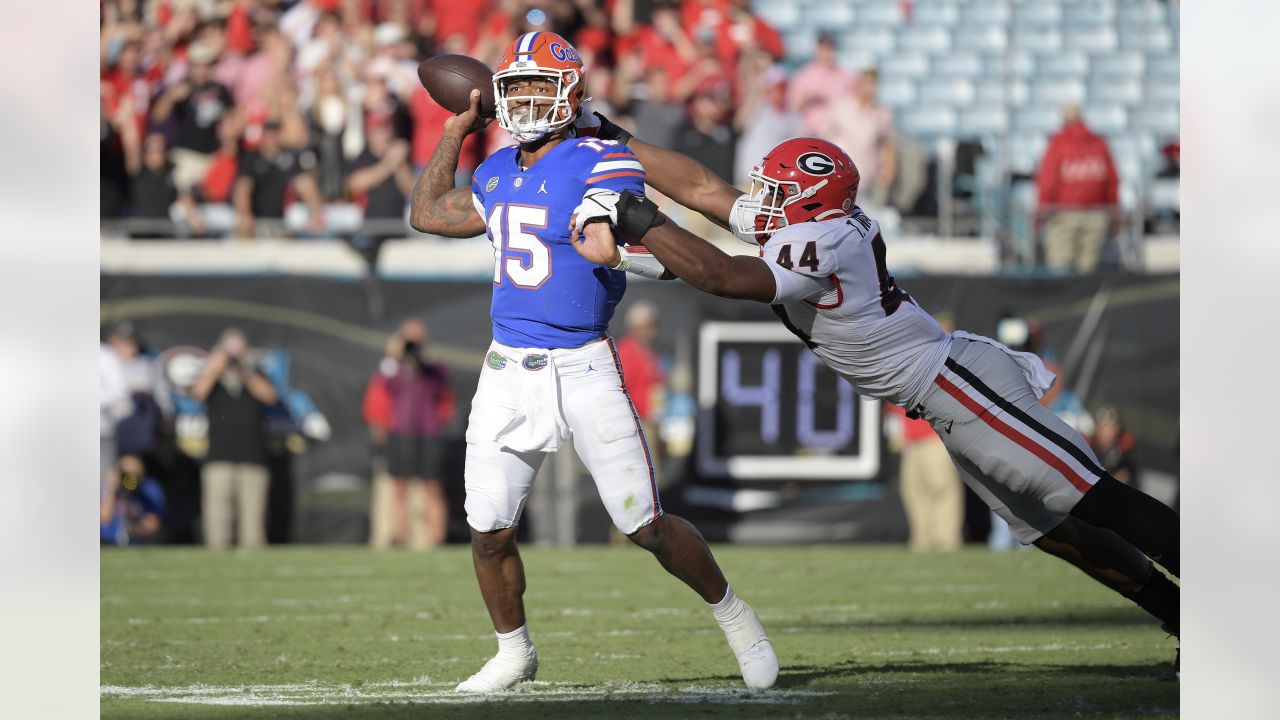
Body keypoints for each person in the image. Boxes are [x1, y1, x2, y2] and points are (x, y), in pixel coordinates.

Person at [568, 129, 1180, 669]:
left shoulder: (824, 240)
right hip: (940, 398)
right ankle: (1178, 612)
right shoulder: (811, 225)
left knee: (1090, 496)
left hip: (958, 382)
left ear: (811, 202)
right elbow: (704, 189)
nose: (761, 204)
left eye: (775, 193)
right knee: (1057, 533)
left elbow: (724, 276)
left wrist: (644, 221)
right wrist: (610, 136)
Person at [407, 31, 777, 693]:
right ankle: (513, 651)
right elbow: (427, 212)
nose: (521, 100)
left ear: (569, 94)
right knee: (488, 527)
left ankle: (735, 615)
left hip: (581, 364)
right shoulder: (493, 170)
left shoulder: (600, 159)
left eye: (535, 87)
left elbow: (610, 226)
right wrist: (456, 130)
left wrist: (608, 238)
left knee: (645, 523)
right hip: (506, 369)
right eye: (512, 88)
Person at [188, 329, 279, 549]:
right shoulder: (213, 379)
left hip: (252, 457)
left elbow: (270, 396)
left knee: (253, 524)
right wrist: (215, 367)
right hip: (219, 457)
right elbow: (197, 394)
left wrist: (245, 371)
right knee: (218, 517)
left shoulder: (256, 374)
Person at [886, 313, 963, 552]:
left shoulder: (951, 364)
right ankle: (923, 541)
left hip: (935, 438)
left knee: (941, 488)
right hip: (912, 441)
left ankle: (947, 542)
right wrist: (895, 431)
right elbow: (895, 399)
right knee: (914, 492)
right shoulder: (912, 360)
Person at [379, 319, 456, 548]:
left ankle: (436, 537)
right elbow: (385, 384)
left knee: (432, 486)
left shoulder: (433, 363)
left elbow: (441, 383)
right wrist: (396, 356)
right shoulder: (394, 365)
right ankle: (399, 536)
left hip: (428, 431)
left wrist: (422, 358)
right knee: (399, 485)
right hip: (402, 430)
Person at [1035, 103, 1120, 274]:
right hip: (1096, 215)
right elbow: (1112, 182)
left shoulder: (1058, 144)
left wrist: (1040, 214)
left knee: (1060, 272)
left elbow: (1048, 182)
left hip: (1064, 216)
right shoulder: (1099, 144)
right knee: (1088, 274)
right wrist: (1114, 212)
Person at [233, 119, 326, 238]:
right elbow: (242, 187)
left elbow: (306, 184)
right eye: (268, 134)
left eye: (275, 133)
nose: (271, 138)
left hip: (284, 223)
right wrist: (245, 215)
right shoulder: (252, 159)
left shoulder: (291, 157)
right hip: (257, 221)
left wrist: (316, 214)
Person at [822, 68, 896, 207]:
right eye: (868, 83)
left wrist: (888, 168)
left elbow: (886, 142)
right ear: (859, 85)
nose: (872, 88)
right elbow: (826, 138)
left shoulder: (882, 112)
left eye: (874, 84)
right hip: (841, 176)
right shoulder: (841, 108)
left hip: (868, 179)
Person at [788, 32, 855, 136]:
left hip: (837, 134)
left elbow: (853, 107)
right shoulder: (805, 75)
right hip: (811, 133)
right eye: (823, 48)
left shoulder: (846, 77)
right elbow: (793, 109)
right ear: (817, 49)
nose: (826, 52)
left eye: (829, 48)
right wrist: (808, 99)